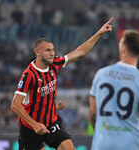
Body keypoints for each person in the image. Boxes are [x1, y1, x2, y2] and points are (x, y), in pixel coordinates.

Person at [10, 17, 113, 150]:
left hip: (51, 122)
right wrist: (35, 124)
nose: (52, 53)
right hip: (30, 128)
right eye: (48, 50)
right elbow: (15, 104)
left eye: (52, 49)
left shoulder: (54, 64)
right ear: (38, 52)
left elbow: (80, 52)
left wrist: (98, 33)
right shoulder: (29, 75)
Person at [89, 29, 139, 150]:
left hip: (102, 144)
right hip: (131, 144)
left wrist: (101, 133)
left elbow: (93, 113)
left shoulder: (101, 74)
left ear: (123, 48)